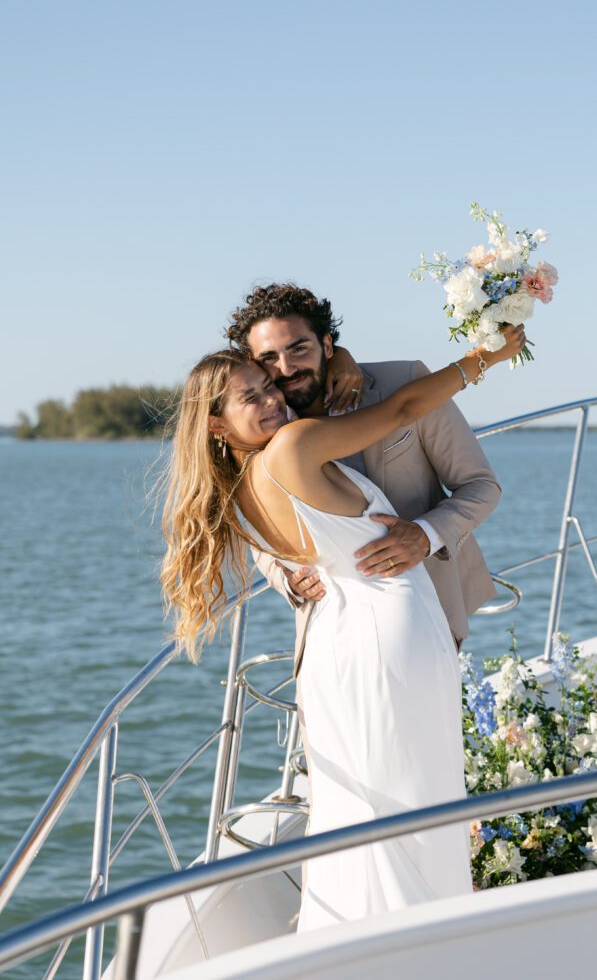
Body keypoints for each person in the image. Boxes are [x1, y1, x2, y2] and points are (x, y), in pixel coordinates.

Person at [161, 322, 526, 930]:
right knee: (417, 798)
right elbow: (406, 405)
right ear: (217, 425)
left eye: (268, 386)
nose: (273, 397)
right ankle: (428, 944)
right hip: (389, 629)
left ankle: (360, 945)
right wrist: (486, 358)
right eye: (251, 396)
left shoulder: (237, 490)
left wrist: (346, 359)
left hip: (336, 646)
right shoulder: (296, 444)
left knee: (358, 808)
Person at [225, 284, 503, 683]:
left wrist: (424, 535)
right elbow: (262, 524)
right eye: (268, 358)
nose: (285, 369)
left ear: (327, 343)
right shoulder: (263, 424)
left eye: (299, 348)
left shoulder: (404, 382)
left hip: (426, 614)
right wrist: (285, 577)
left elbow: (481, 485)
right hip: (331, 634)